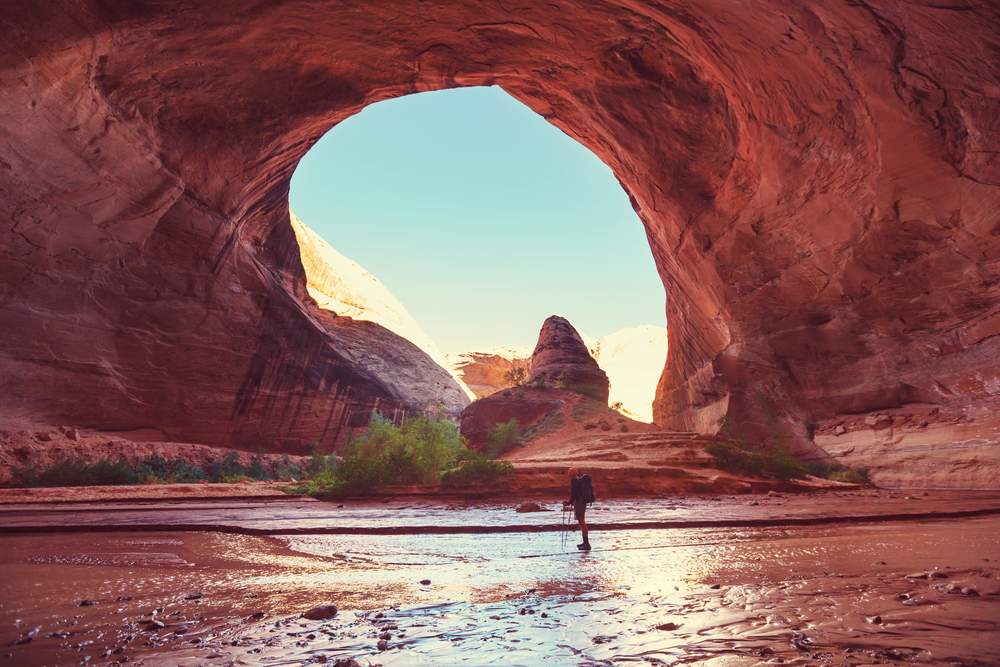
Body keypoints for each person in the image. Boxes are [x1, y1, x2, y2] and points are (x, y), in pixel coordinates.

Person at [563, 467, 591, 550]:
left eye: (569, 472)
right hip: (582, 502)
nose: (568, 473)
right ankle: (585, 542)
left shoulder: (574, 481)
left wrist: (568, 503)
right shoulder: (579, 480)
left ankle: (586, 544)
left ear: (571, 473)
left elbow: (574, 495)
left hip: (579, 503)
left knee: (582, 522)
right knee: (581, 522)